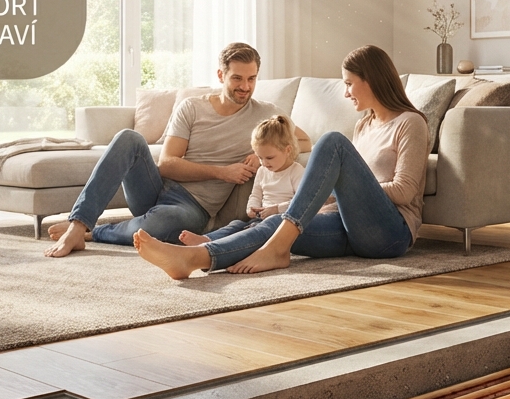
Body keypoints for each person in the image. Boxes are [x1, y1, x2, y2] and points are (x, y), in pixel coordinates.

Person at [133, 44, 428, 279]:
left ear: (372, 80)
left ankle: (273, 248)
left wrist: (345, 191)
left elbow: (404, 191)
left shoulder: (409, 123)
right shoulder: (364, 125)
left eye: (350, 83)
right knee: (274, 223)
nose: (346, 92)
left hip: (389, 233)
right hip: (350, 227)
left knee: (331, 141)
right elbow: (339, 195)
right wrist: (308, 205)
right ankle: (194, 257)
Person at [44, 42, 309, 257]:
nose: (245, 87)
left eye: (252, 79)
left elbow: (304, 142)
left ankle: (95, 232)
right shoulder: (193, 108)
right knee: (128, 138)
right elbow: (168, 163)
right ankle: (78, 224)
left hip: (195, 208)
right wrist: (222, 173)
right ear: (221, 75)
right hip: (158, 189)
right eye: (237, 78)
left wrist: (261, 157)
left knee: (162, 225)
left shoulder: (266, 113)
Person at [178, 115, 304, 246]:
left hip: (282, 222)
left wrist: (276, 209)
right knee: (236, 224)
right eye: (260, 157)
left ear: (287, 150)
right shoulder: (262, 171)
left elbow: (302, 203)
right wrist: (251, 208)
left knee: (251, 232)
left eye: (270, 158)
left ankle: (217, 246)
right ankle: (207, 239)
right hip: (261, 219)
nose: (264, 163)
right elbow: (256, 194)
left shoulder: (295, 171)